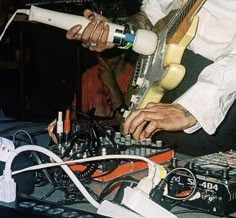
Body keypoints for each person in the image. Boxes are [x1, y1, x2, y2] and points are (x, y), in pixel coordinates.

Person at [66, 0, 236, 156]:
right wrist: (120, 32)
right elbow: (152, 14)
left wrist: (196, 106)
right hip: (164, 73)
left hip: (219, 92)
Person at [71, 48, 136, 124]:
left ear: (122, 54)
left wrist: (112, 85)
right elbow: (75, 117)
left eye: (108, 55)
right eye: (99, 54)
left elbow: (125, 121)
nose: (101, 59)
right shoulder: (89, 75)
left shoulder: (134, 79)